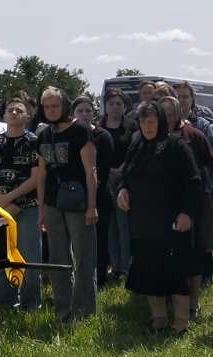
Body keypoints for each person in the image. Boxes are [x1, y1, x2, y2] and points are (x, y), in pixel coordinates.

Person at [118, 101, 199, 331]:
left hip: (172, 222)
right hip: (143, 222)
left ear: (161, 121)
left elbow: (193, 182)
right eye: (143, 121)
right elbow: (125, 174)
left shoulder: (176, 146)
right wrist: (122, 190)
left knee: (175, 271)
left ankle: (181, 321)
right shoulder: (137, 145)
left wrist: (187, 213)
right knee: (148, 270)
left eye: (152, 120)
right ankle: (159, 318)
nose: (148, 125)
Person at [36, 87, 98, 322]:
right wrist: (41, 210)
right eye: (47, 106)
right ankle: (63, 311)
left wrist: (91, 206)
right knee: (58, 259)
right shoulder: (43, 135)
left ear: (64, 105)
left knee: (83, 258)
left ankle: (83, 312)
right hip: (52, 204)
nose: (51, 110)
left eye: (55, 105)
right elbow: (41, 175)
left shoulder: (80, 131)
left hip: (78, 202)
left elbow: (91, 172)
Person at [0, 94, 45, 309]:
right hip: (1, 209)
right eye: (11, 110)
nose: (14, 113)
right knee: (3, 255)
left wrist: (9, 198)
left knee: (29, 257)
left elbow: (36, 178)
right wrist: (0, 201)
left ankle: (30, 304)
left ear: (28, 116)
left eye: (19, 110)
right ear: (4, 115)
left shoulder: (34, 142)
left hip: (27, 207)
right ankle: (7, 302)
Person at [161, 95, 213, 316]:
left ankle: (193, 301)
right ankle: (169, 298)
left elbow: (210, 166)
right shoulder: (152, 137)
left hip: (192, 205)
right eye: (163, 114)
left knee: (192, 255)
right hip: (163, 207)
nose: (167, 118)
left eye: (171, 113)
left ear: (179, 113)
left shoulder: (194, 136)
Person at [73, 96, 116, 287]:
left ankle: (100, 278)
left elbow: (104, 168)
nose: (84, 114)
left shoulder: (103, 136)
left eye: (88, 110)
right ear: (73, 114)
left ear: (93, 113)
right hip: (73, 196)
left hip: (100, 195)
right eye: (80, 110)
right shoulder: (68, 135)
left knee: (99, 239)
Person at [99, 90, 133, 283]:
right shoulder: (99, 127)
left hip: (124, 181)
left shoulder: (131, 127)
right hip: (104, 180)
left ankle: (126, 266)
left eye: (119, 104)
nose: (115, 107)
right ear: (105, 106)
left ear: (125, 107)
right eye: (111, 103)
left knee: (124, 224)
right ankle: (114, 265)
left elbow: (134, 151)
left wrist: (121, 170)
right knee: (110, 225)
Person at [175, 82, 213, 157]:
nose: (181, 100)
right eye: (178, 97)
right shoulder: (169, 124)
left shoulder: (203, 126)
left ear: (192, 98)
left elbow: (211, 154)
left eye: (185, 97)